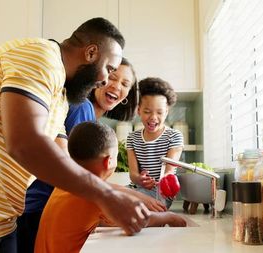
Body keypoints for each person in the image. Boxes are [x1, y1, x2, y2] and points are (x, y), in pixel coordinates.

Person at [0, 17, 150, 253]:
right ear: (90, 53)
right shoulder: (39, 57)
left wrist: (120, 195)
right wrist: (105, 195)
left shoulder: (61, 95)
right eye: (108, 69)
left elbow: (62, 157)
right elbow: (25, 143)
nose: (105, 80)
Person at [17, 58, 166, 253]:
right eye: (112, 77)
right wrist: (136, 197)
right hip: (40, 208)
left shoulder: (87, 113)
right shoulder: (82, 109)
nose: (116, 86)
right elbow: (82, 176)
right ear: (99, 78)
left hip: (39, 208)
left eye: (125, 84)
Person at [34, 122, 187, 253]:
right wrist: (170, 217)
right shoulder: (97, 199)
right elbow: (139, 219)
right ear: (109, 161)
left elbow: (105, 187)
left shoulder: (67, 184)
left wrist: (136, 194)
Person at [126, 77, 184, 209]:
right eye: (147, 111)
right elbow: (133, 174)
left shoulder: (174, 136)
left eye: (159, 112)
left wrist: (166, 181)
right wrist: (140, 179)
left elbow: (169, 171)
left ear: (167, 112)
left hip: (160, 193)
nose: (153, 117)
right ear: (138, 110)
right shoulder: (132, 138)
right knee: (111, 196)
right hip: (136, 190)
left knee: (130, 205)